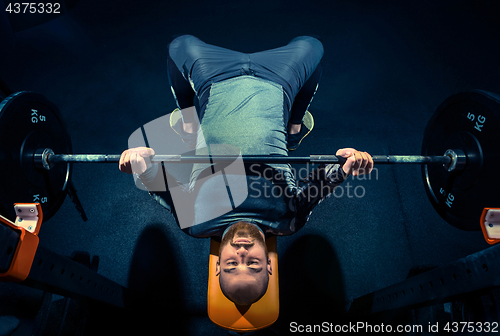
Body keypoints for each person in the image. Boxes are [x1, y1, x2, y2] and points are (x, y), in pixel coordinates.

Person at [119, 35, 374, 306]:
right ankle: (294, 129)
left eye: (231, 265)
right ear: (269, 266)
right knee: (313, 46)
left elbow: (160, 186)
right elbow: (322, 183)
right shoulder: (288, 220)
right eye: (252, 264)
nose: (242, 253)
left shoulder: (196, 223)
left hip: (215, 81)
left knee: (177, 46)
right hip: (277, 82)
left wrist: (139, 164)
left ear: (218, 266)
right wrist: (348, 164)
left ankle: (189, 125)